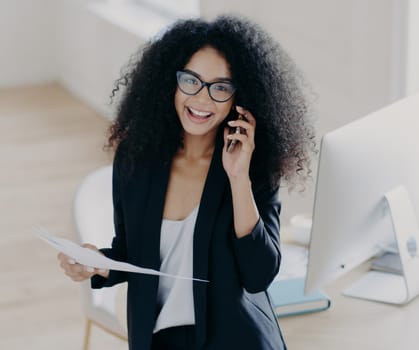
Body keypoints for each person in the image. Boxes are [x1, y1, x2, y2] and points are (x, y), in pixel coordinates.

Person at [57, 14, 315, 350]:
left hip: (237, 340)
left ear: (239, 99)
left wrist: (238, 178)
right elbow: (132, 253)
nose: (202, 98)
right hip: (159, 340)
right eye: (191, 80)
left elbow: (259, 276)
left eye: (220, 87)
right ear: (170, 82)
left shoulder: (251, 165)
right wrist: (98, 265)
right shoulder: (136, 161)